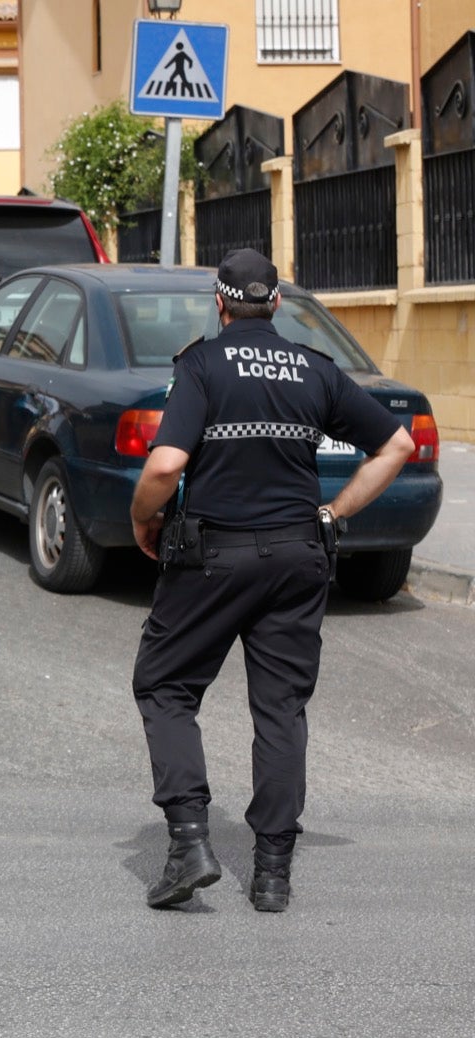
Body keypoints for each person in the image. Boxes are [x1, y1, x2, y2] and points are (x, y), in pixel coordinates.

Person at [130, 249, 414, 913]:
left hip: (212, 558)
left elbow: (166, 463)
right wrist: (333, 514)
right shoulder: (313, 368)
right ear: (278, 303)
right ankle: (272, 876)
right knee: (280, 709)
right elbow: (396, 446)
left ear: (219, 302)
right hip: (297, 555)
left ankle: (190, 844)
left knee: (164, 684)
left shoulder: (200, 364)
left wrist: (143, 521)